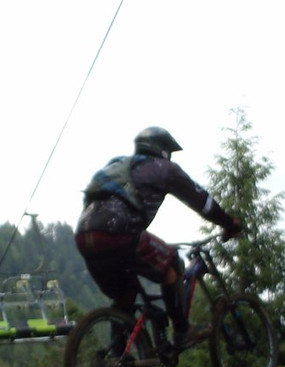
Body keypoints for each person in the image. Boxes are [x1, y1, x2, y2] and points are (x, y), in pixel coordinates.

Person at [75, 126, 241, 347]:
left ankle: (116, 356)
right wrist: (228, 223)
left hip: (85, 234)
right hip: (121, 231)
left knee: (125, 294)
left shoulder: (117, 166)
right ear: (163, 150)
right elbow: (202, 201)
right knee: (172, 262)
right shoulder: (164, 169)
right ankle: (183, 331)